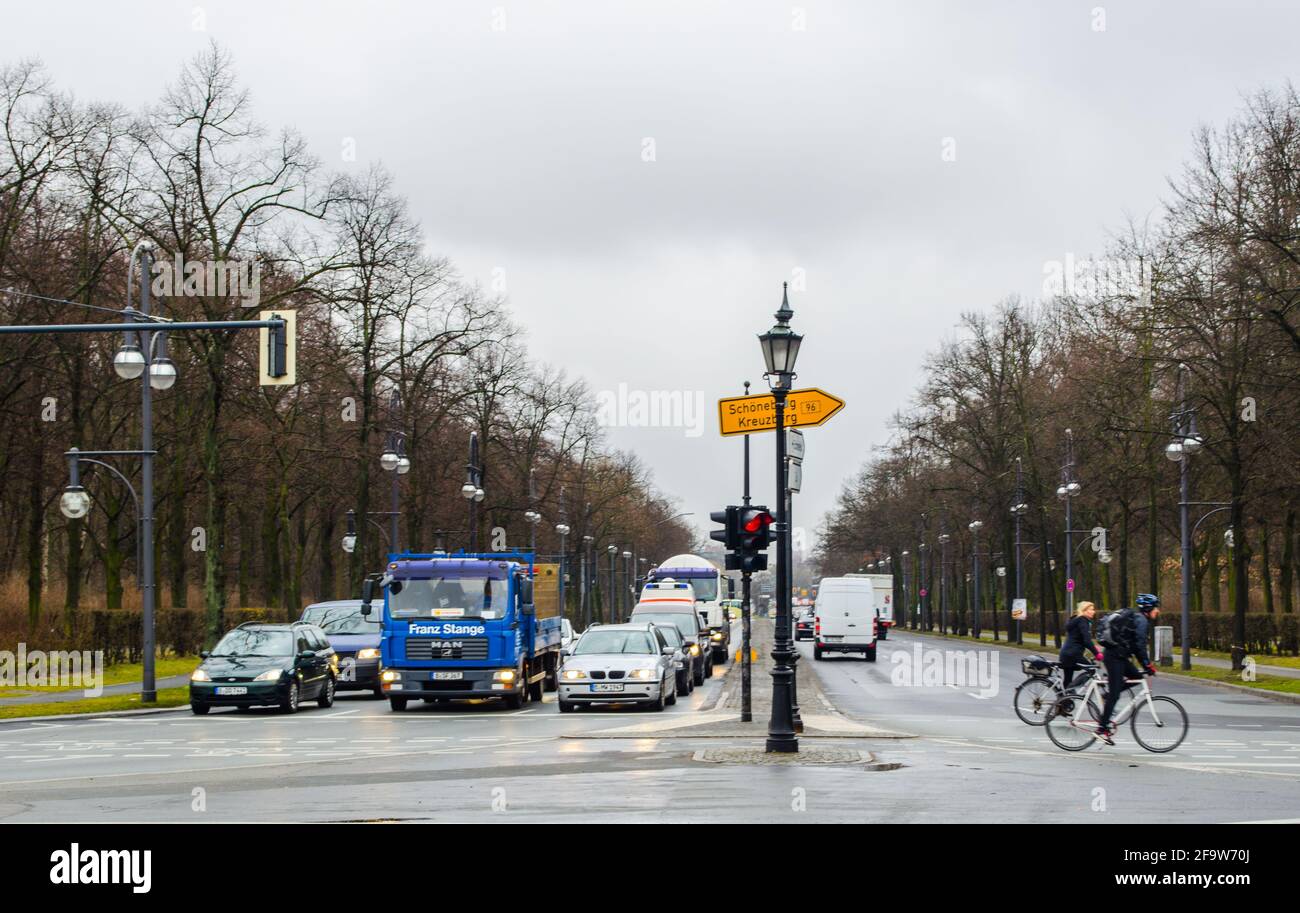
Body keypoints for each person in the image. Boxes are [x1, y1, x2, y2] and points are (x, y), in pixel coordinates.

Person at [1096, 594, 1160, 745]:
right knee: (1115, 695)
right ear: (1149, 608)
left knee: (1136, 676)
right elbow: (1139, 646)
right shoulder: (1142, 621)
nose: (1158, 611)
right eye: (1156, 608)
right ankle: (1102, 729)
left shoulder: (1137, 618)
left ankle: (1109, 694)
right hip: (1114, 658)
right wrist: (1147, 665)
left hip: (1119, 656)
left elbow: (1136, 645)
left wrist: (1145, 666)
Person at [1059, 601, 1100, 695]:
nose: (1094, 611)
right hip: (1073, 654)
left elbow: (1080, 639)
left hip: (1066, 653)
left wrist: (1094, 649)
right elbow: (1087, 640)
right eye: (1092, 609)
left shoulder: (1076, 620)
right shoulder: (1082, 620)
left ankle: (1062, 703)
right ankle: (1072, 690)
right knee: (1092, 670)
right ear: (1085, 610)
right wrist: (1097, 653)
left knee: (1067, 680)